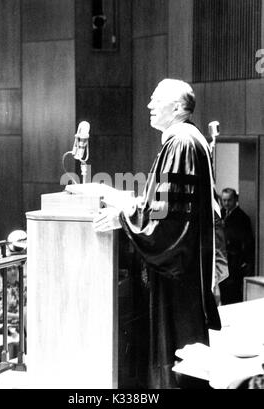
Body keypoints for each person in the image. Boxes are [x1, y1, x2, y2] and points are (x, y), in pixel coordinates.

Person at [93, 78, 222, 389]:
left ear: (177, 107)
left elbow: (170, 220)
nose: (148, 106)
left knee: (175, 362)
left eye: (155, 100)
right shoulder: (188, 140)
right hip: (184, 272)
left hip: (176, 276)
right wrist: (129, 201)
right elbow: (168, 204)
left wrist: (123, 217)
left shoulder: (181, 144)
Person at [219, 188, 254, 305]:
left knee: (233, 294)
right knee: (224, 291)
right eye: (224, 200)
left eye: (229, 200)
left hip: (235, 261)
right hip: (223, 259)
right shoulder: (221, 214)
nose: (226, 203)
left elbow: (247, 242)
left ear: (235, 200)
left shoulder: (242, 218)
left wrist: (244, 261)